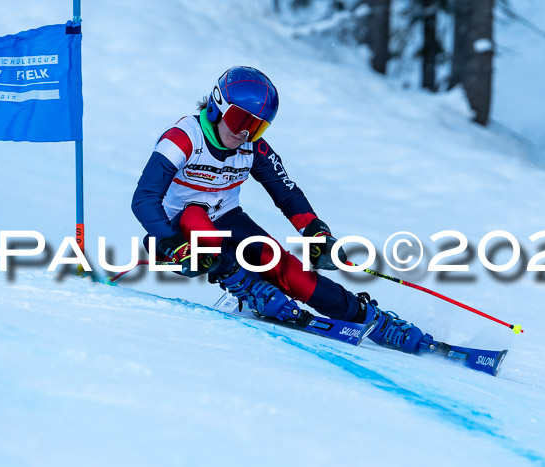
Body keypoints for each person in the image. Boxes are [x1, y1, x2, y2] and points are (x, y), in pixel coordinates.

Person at [132, 66, 434, 354]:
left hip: (226, 219)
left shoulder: (253, 147)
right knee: (198, 222)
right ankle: (248, 287)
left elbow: (286, 193)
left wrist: (316, 233)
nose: (244, 133)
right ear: (217, 105)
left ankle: (370, 318)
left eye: (256, 127)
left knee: (287, 269)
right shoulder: (183, 138)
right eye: (239, 120)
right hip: (172, 234)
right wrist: (171, 241)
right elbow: (144, 198)